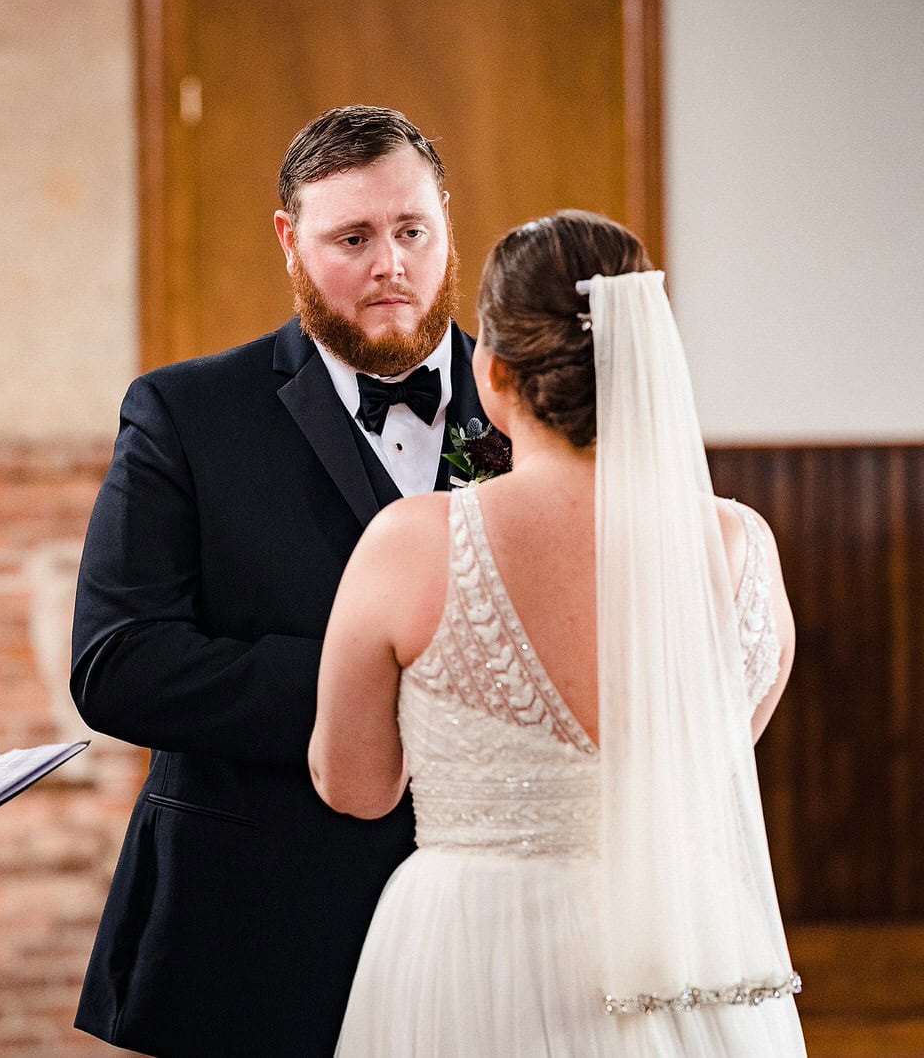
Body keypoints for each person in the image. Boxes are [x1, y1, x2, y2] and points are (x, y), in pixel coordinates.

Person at [311, 211, 806, 1055]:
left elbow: (356, 787)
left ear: (493, 371)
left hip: (470, 955)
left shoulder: (412, 542)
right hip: (679, 948)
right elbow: (712, 755)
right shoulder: (739, 547)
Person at [70, 106, 489, 1056]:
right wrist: (370, 683)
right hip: (254, 927)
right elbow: (117, 663)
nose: (392, 264)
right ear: (288, 240)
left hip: (487, 931)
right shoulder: (185, 411)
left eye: (413, 230)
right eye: (353, 237)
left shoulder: (533, 410)